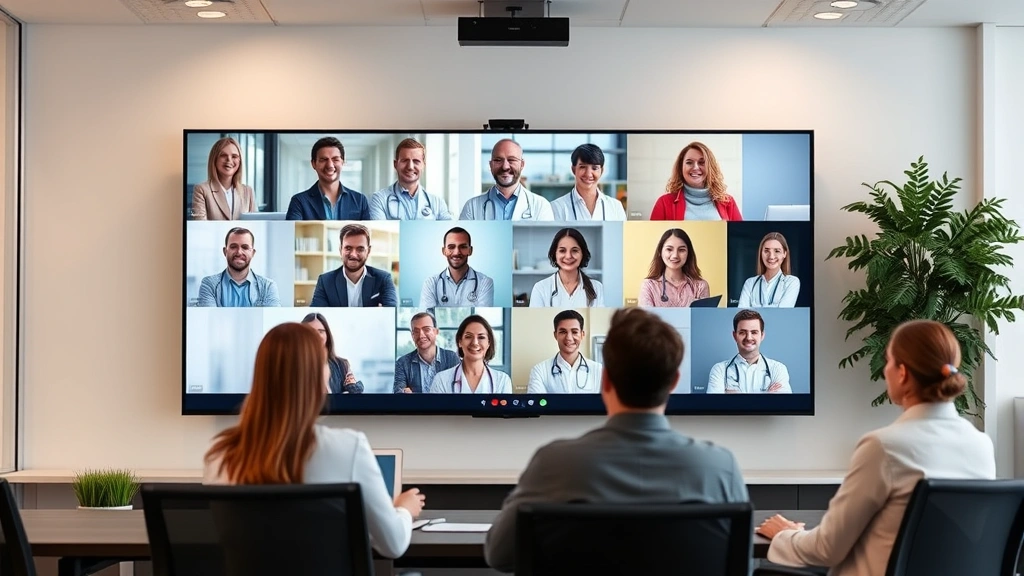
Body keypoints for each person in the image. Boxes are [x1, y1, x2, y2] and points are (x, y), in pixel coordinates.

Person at [484, 307, 749, 572]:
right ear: (673, 382)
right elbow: (741, 567)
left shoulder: (553, 463)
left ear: (606, 381)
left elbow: (499, 554)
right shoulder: (720, 467)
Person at [757, 319, 996, 576]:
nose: (885, 371)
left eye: (888, 360)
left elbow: (827, 548)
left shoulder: (884, 447)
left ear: (902, 373)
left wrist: (785, 534)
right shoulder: (981, 444)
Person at [202, 322, 426, 558]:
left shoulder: (219, 455)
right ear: (316, 376)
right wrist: (403, 508)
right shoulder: (348, 448)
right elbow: (393, 544)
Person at [459, 139, 554, 221]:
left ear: (522, 165)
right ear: (491, 165)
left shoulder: (541, 206)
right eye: (498, 160)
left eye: (511, 160)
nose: (505, 167)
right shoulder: (472, 207)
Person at [650, 141, 742, 221]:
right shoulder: (664, 203)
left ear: (710, 167)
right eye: (689, 162)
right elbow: (653, 235)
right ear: (681, 168)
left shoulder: (728, 202)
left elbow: (740, 234)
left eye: (702, 162)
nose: (695, 167)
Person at [310, 224, 396, 307]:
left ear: (368, 251)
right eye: (348, 248)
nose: (353, 255)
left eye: (360, 249)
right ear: (340, 250)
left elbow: (391, 312)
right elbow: (317, 314)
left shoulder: (383, 279)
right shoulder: (325, 281)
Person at [707, 309, 791, 394]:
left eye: (754, 332)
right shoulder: (719, 370)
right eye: (742, 332)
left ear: (762, 335)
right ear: (735, 336)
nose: (748, 338)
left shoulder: (778, 369)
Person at [368, 138, 453, 221]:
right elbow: (379, 230)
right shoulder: (379, 199)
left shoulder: (437, 202)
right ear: (395, 164)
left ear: (423, 165)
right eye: (405, 160)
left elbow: (449, 228)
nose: (410, 167)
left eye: (416, 161)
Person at [286, 137, 370, 220]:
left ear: (343, 162)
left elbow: (367, 229)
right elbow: (292, 229)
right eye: (323, 160)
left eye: (335, 159)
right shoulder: (299, 202)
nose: (330, 165)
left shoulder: (360, 201)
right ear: (313, 164)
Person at [196, 227, 280, 307]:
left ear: (252, 253)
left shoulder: (268, 287)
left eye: (245, 247)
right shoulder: (209, 285)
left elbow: (271, 317)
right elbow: (208, 316)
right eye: (233, 247)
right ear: (225, 251)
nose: (239, 252)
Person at [429, 315, 512, 394]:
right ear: (460, 341)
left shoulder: (502, 381)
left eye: (481, 337)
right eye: (468, 336)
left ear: (489, 343)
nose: (475, 343)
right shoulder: (441, 380)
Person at [526, 310, 603, 394]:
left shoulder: (598, 370)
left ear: (582, 335)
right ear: (555, 335)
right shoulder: (540, 371)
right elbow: (537, 402)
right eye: (563, 332)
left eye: (574, 332)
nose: (569, 338)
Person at [419, 227, 495, 308]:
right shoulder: (431, 283)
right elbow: (427, 314)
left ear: (470, 250)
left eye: (463, 247)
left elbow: (482, 314)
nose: (457, 252)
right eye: (451, 247)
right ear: (444, 251)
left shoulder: (484, 282)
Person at [529, 228, 604, 308]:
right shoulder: (540, 288)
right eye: (562, 251)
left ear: (582, 254)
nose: (568, 256)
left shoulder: (597, 287)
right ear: (555, 254)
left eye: (574, 251)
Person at [549, 143, 627, 221]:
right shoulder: (557, 207)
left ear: (602, 171)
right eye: (582, 167)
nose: (588, 174)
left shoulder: (615, 207)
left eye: (594, 168)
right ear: (573, 169)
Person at [638, 228, 709, 307]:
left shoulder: (700, 286)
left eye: (681, 250)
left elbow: (704, 315)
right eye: (669, 249)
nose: (675, 255)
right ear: (660, 252)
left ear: (689, 254)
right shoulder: (649, 286)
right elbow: (645, 315)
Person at [190, 136, 257, 220]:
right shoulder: (201, 190)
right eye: (223, 155)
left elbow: (255, 224)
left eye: (234, 156)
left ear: (240, 161)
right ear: (214, 159)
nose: (229, 160)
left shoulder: (248, 191)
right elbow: (200, 225)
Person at [393, 311, 460, 394]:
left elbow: (460, 390)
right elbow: (398, 391)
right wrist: (403, 392)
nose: (421, 335)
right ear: (412, 335)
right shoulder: (402, 363)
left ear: (436, 332)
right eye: (416, 331)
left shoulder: (451, 358)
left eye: (426, 329)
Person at [300, 313, 364, 394]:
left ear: (327, 335)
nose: (316, 335)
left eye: (321, 331)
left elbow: (355, 395)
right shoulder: (292, 365)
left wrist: (352, 385)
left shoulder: (341, 365)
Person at [738, 232, 801, 308]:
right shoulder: (750, 283)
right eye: (766, 251)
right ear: (761, 253)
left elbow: (783, 313)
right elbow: (742, 313)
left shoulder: (791, 282)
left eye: (777, 251)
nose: (771, 256)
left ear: (784, 254)